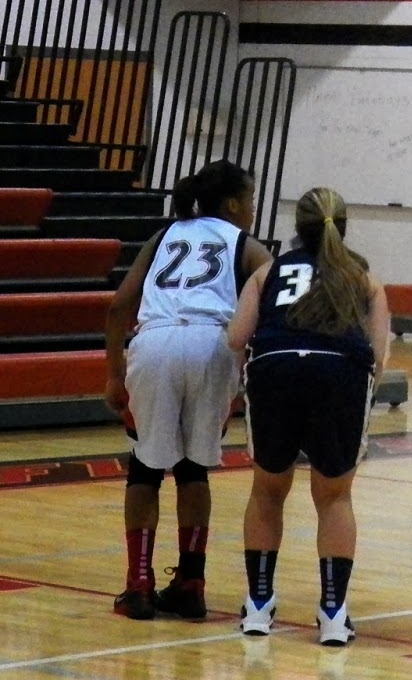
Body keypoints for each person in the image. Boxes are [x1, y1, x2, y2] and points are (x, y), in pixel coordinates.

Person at [103, 159, 272, 621]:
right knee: (194, 469)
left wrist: (114, 374)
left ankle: (138, 584)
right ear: (234, 203)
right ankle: (191, 583)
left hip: (155, 342)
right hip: (213, 346)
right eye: (252, 200)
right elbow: (276, 301)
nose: (254, 209)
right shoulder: (246, 245)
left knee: (144, 470)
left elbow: (120, 306)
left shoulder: (164, 236)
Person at [226, 187, 390, 646]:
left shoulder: (268, 271)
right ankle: (333, 615)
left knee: (267, 490)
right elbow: (379, 356)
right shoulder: (362, 277)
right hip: (339, 373)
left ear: (297, 227)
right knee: (334, 498)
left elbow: (237, 338)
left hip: (275, 370)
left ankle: (258, 608)